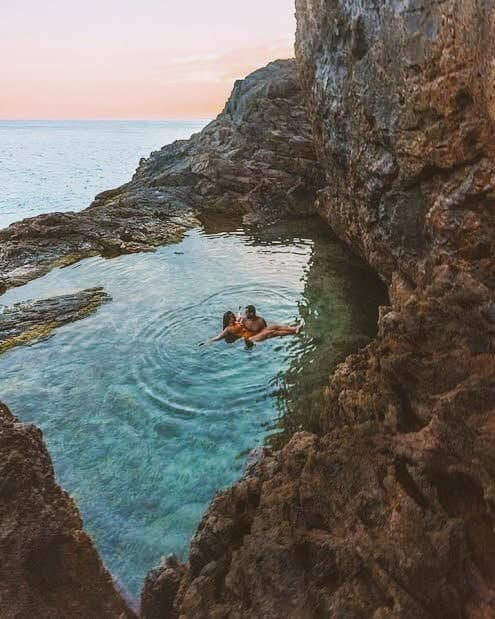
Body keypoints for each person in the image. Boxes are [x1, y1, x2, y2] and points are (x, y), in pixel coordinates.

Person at [200, 307, 302, 346]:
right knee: (271, 332)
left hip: (254, 333)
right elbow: (218, 337)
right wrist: (208, 342)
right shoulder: (228, 329)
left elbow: (238, 314)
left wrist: (238, 313)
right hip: (250, 338)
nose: (233, 317)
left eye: (233, 316)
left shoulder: (237, 321)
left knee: (274, 326)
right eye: (231, 317)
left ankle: (294, 328)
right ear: (228, 320)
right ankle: (294, 332)